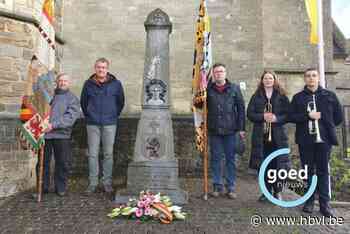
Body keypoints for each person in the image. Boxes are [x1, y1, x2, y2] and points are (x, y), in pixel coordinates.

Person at [289, 68, 343, 217]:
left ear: (318, 78)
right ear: (304, 79)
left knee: (323, 171)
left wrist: (326, 126)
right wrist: (308, 115)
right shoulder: (298, 97)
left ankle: (325, 204)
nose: (311, 78)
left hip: (324, 140)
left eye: (314, 76)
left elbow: (338, 117)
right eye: (308, 76)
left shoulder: (329, 96)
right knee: (308, 171)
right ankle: (309, 201)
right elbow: (291, 116)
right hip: (305, 140)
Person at [80, 58, 125, 194]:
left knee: (108, 154)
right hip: (92, 123)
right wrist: (90, 115)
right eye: (99, 67)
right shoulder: (88, 84)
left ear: (107, 69)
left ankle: (107, 182)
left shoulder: (116, 84)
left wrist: (112, 115)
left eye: (103, 67)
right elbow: (83, 102)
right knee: (93, 154)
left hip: (110, 123)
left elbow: (120, 102)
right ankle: (93, 183)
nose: (101, 70)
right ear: (95, 68)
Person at [247, 71, 291, 202]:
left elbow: (289, 114)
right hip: (262, 138)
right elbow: (249, 114)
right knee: (264, 166)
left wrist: (277, 118)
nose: (268, 80)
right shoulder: (256, 96)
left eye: (270, 78)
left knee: (278, 166)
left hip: (278, 138)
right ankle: (266, 192)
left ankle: (277, 192)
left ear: (274, 80)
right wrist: (262, 116)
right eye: (265, 78)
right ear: (262, 80)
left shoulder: (282, 96)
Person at [206, 63, 245, 199]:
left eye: (221, 71)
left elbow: (241, 109)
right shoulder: (207, 89)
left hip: (231, 130)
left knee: (230, 159)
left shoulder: (234, 88)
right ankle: (217, 185)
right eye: (216, 72)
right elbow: (199, 107)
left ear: (225, 73)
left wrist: (241, 128)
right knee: (216, 159)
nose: (219, 74)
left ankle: (231, 186)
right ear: (213, 74)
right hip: (214, 129)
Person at [38, 73, 80, 197]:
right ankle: (42, 187)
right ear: (57, 82)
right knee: (42, 163)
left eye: (65, 81)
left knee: (62, 163)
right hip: (45, 135)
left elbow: (70, 118)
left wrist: (52, 125)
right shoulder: (49, 96)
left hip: (61, 135)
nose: (62, 83)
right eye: (60, 80)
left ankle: (60, 188)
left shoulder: (72, 98)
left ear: (69, 83)